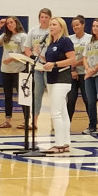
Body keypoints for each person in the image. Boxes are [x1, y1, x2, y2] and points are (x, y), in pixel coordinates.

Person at [40, 17, 76, 154]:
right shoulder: (51, 42)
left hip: (62, 79)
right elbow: (51, 60)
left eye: (54, 24)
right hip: (51, 79)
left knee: (55, 112)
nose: (51, 27)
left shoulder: (65, 41)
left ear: (61, 27)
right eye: (50, 25)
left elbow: (72, 59)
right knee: (63, 112)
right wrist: (41, 57)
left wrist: (54, 64)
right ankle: (66, 143)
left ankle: (59, 144)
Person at [0, 16, 27, 129]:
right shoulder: (5, 36)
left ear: (16, 23)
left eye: (11, 22)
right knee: (7, 96)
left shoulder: (23, 36)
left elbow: (25, 54)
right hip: (6, 70)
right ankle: (7, 120)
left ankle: (27, 121)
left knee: (22, 96)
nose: (9, 24)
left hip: (19, 70)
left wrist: (12, 58)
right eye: (7, 23)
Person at [23, 8, 52, 129]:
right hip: (37, 67)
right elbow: (27, 48)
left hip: (50, 67)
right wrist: (34, 59)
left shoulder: (53, 31)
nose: (44, 19)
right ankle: (34, 121)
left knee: (53, 95)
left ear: (50, 18)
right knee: (37, 94)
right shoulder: (33, 31)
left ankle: (54, 121)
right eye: (42, 17)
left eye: (46, 17)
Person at [67, 15, 92, 121]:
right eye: (73, 26)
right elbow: (66, 56)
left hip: (85, 73)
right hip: (72, 74)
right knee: (71, 99)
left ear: (83, 25)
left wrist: (76, 64)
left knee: (87, 99)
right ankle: (67, 123)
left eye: (77, 25)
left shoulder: (90, 38)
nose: (75, 27)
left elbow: (88, 56)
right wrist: (72, 69)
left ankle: (92, 123)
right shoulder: (69, 39)